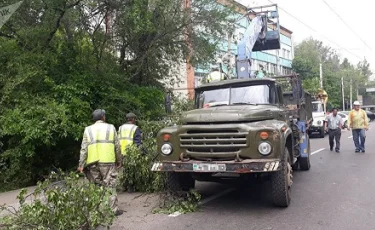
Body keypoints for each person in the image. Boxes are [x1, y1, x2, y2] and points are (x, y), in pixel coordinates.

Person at [78, 109, 123, 215]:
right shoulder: (111, 127)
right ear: (103, 117)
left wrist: (81, 165)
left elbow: (84, 149)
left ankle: (98, 211)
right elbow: (117, 146)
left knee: (96, 186)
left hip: (92, 163)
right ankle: (113, 210)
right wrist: (119, 160)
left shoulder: (87, 130)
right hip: (107, 161)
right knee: (110, 185)